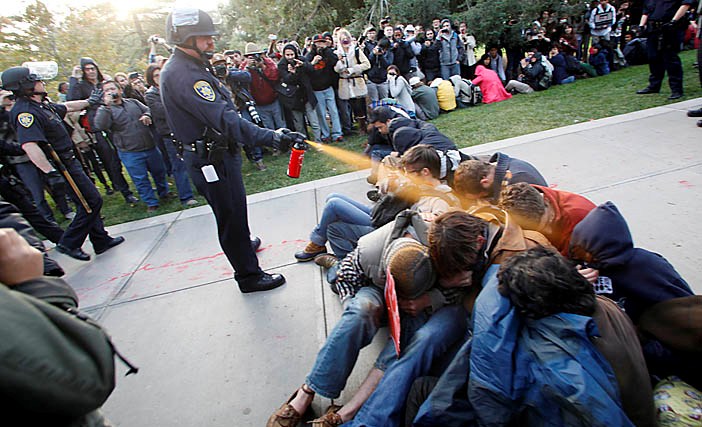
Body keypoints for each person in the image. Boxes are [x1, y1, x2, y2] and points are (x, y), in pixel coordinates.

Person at [159, 8, 303, 293]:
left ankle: (242, 245)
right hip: (210, 159)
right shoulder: (185, 74)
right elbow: (225, 119)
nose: (211, 43)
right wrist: (272, 138)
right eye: (204, 38)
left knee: (235, 210)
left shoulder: (193, 66)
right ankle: (249, 276)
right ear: (184, 38)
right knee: (230, 215)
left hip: (219, 153)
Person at [3, 65, 125, 261]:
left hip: (70, 159)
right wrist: (50, 172)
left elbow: (67, 107)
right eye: (36, 79)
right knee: (91, 202)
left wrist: (89, 102)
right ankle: (69, 243)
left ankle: (100, 240)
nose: (40, 81)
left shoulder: (40, 104)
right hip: (61, 165)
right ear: (25, 85)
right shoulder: (24, 112)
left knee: (85, 201)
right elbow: (29, 145)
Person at [67, 57, 137, 205]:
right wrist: (74, 79)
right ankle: (125, 191)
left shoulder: (104, 83)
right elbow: (70, 100)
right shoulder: (81, 86)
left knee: (130, 153)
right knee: (111, 161)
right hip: (99, 126)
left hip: (117, 122)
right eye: (87, 69)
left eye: (93, 68)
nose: (91, 72)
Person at [93, 80, 171, 213]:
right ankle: (151, 202)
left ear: (120, 90)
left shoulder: (133, 102)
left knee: (159, 171)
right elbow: (100, 125)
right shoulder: (106, 110)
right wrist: (105, 106)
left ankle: (164, 193)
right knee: (140, 178)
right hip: (129, 151)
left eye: (113, 88)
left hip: (149, 146)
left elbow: (148, 109)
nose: (111, 92)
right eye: (107, 90)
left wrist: (147, 115)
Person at [144, 64, 198, 207]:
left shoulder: (172, 88)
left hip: (184, 128)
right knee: (178, 165)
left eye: (160, 73)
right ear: (151, 78)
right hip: (169, 133)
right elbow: (162, 112)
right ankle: (186, 196)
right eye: (156, 75)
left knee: (195, 161)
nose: (159, 77)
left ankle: (202, 188)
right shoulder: (151, 94)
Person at [499, 182, 595, 255]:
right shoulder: (509, 218)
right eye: (538, 231)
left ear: (546, 200)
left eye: (549, 221)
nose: (549, 232)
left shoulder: (582, 217)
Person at [636, 0, 692, 100]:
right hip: (653, 28)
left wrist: (674, 21)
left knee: (670, 59)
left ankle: (676, 89)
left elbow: (685, 4)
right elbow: (646, 11)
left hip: (669, 28)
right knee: (653, 57)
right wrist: (641, 25)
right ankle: (654, 85)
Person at [453, 154, 547, 207]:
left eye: (481, 196)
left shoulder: (518, 182)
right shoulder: (499, 168)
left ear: (485, 182)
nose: (480, 199)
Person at [306, 33, 343, 143]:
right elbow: (306, 68)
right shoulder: (309, 55)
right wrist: (313, 62)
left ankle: (337, 133)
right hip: (316, 89)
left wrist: (326, 50)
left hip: (328, 87)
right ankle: (325, 134)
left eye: (322, 42)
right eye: (318, 43)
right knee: (321, 114)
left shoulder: (329, 52)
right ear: (314, 44)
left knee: (333, 111)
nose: (320, 45)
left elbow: (335, 61)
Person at [334, 29, 371, 134]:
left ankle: (363, 127)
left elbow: (367, 64)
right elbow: (335, 70)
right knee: (351, 106)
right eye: (342, 39)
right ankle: (354, 126)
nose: (345, 41)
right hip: (344, 82)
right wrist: (340, 63)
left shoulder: (356, 50)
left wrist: (353, 69)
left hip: (356, 80)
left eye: (347, 38)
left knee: (360, 105)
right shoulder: (337, 53)